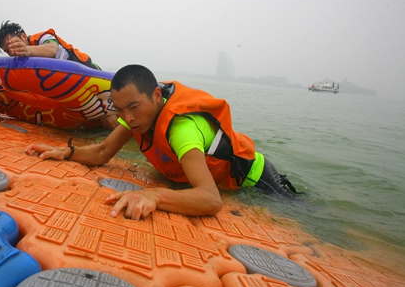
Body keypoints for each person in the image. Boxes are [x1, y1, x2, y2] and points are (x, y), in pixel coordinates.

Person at [26, 64, 298, 221]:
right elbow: (102, 151)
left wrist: (152, 195)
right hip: (225, 176)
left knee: (298, 210)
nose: (128, 119)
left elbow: (211, 199)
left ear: (157, 95)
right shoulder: (132, 114)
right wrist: (67, 151)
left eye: (134, 107)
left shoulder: (182, 129)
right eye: (120, 110)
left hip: (257, 181)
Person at [0, 21, 101, 70]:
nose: (12, 52)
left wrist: (28, 50)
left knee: (108, 117)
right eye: (7, 50)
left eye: (14, 44)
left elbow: (52, 49)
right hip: (65, 78)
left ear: (24, 36)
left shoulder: (43, 37)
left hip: (87, 68)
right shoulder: (21, 62)